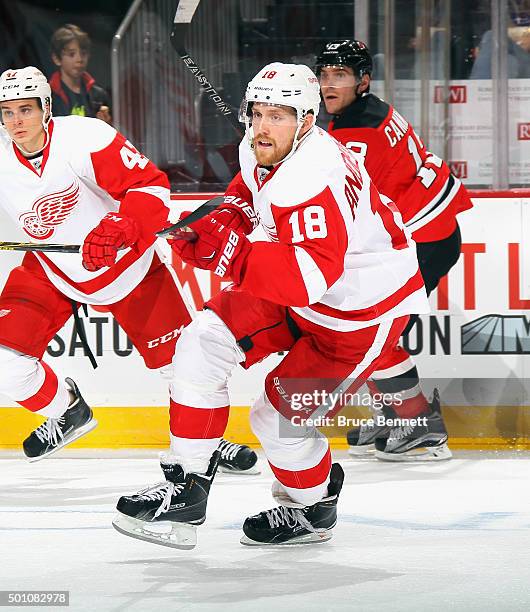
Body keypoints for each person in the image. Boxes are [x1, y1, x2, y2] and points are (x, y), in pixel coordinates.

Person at [111, 62, 430, 550]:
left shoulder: (312, 176)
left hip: (357, 317)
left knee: (275, 420)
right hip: (294, 289)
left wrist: (229, 253)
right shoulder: (262, 146)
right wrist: (206, 223)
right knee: (202, 339)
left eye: (278, 116)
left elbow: (309, 278)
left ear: (306, 121)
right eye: (257, 113)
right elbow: (246, 196)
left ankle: (313, 507)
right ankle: (187, 485)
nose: (262, 126)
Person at [0, 66, 257, 474]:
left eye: (26, 110)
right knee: (7, 365)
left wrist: (123, 225)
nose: (17, 121)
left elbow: (150, 186)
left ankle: (207, 442)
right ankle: (68, 412)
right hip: (51, 269)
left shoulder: (86, 138)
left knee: (182, 368)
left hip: (128, 270)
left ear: (46, 108)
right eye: (8, 111)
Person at [315, 40, 473, 461]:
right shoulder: (368, 111)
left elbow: (347, 203)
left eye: (340, 76)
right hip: (427, 234)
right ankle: (391, 412)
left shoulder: (355, 131)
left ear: (362, 80)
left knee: (370, 330)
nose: (329, 84)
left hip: (422, 241)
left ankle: (419, 424)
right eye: (324, 75)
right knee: (363, 328)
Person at [49, 24, 112, 124]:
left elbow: (110, 133)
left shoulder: (99, 95)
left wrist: (106, 124)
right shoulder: (48, 96)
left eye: (83, 53)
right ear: (56, 59)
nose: (79, 59)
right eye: (71, 54)